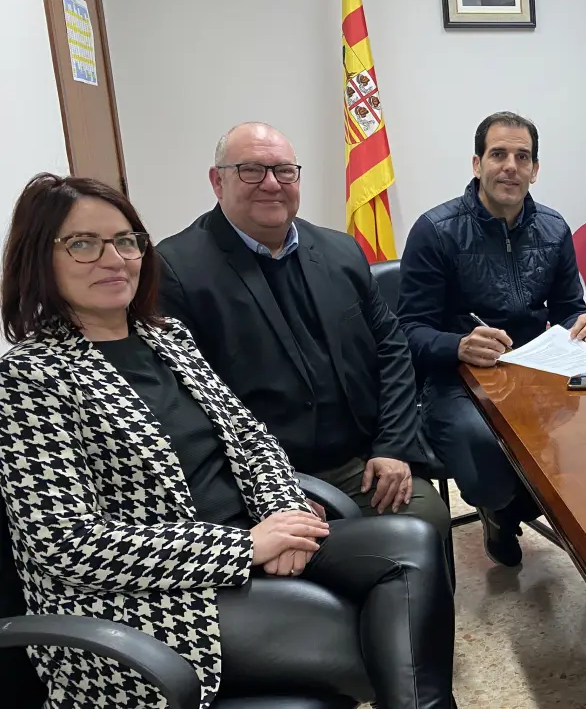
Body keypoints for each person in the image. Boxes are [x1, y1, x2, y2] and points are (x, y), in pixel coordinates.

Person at [0, 174, 454, 708]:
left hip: (252, 534)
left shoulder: (165, 337)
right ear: (41, 259)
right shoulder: (30, 377)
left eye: (125, 241)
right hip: (150, 598)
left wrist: (284, 514)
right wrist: (244, 548)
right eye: (83, 244)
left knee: (412, 543)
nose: (114, 259)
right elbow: (66, 545)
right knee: (367, 643)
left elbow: (251, 438)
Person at [155, 122, 451, 544]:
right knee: (310, 557)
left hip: (359, 461)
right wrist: (272, 491)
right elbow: (180, 406)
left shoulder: (340, 250)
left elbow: (392, 348)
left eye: (284, 171)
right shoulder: (176, 270)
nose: (271, 184)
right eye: (251, 170)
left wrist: (392, 446)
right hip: (259, 478)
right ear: (217, 182)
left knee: (425, 520)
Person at [398, 111, 586, 566]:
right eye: (498, 155)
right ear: (477, 165)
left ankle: (533, 511)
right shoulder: (435, 231)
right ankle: (501, 510)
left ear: (535, 169)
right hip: (458, 380)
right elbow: (408, 331)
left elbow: (569, 307)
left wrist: (583, 323)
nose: (511, 166)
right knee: (485, 446)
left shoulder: (554, 227)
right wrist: (458, 345)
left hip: (536, 370)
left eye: (522, 157)